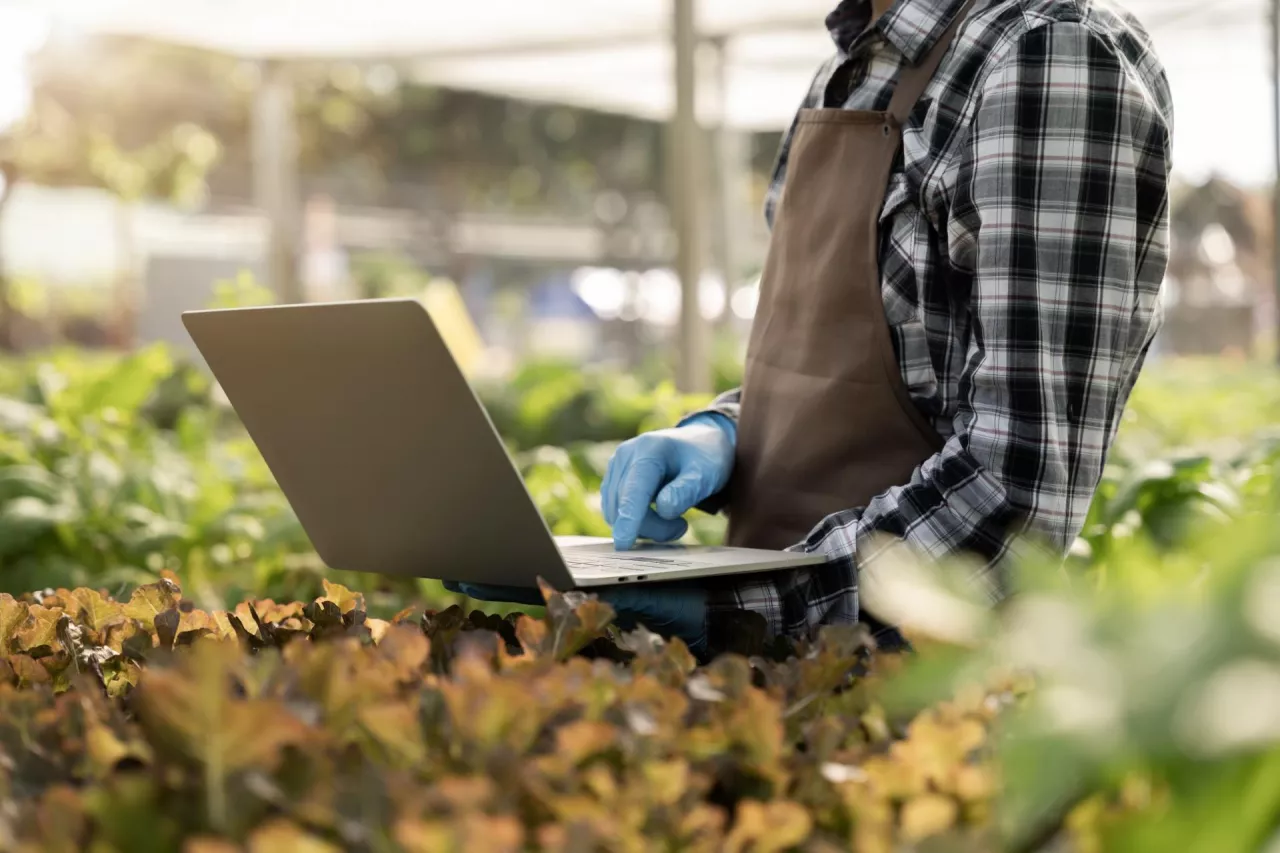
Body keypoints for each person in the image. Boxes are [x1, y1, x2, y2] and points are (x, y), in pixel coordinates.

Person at [451, 0, 1173, 658]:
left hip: (917, 705)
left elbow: (1017, 492)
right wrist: (731, 430)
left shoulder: (1048, 58)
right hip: (771, 685)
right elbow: (874, 359)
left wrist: (734, 610)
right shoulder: (852, 69)